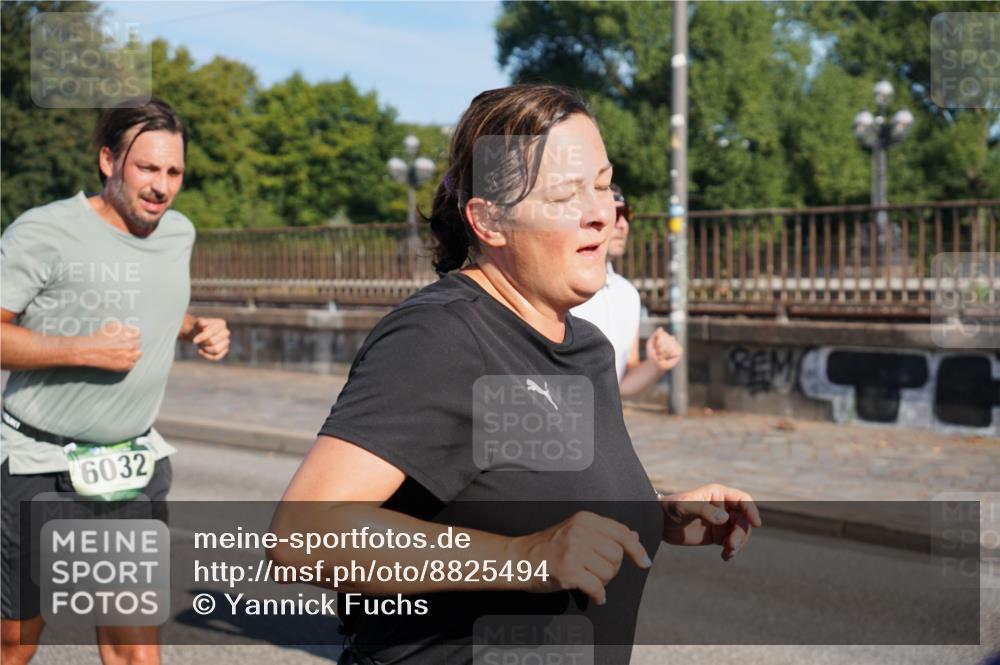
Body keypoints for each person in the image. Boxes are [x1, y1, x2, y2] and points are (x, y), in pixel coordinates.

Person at [270, 84, 759, 664]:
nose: (602, 213)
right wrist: (527, 556)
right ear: (489, 221)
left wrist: (652, 513)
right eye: (565, 196)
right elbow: (303, 535)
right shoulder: (442, 337)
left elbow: (512, 486)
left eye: (603, 185)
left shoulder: (585, 347)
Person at [0, 98, 231, 664]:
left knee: (134, 648)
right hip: (41, 466)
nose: (162, 186)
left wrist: (196, 325)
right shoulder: (45, 231)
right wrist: (79, 349)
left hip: (130, 469)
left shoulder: (178, 234)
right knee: (15, 642)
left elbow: (150, 309)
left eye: (173, 172)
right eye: (147, 168)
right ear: (109, 161)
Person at [571, 185, 683, 396]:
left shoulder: (627, 294)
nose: (623, 225)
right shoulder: (560, 288)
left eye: (627, 214)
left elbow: (620, 384)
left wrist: (656, 364)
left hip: (602, 426)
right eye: (615, 213)